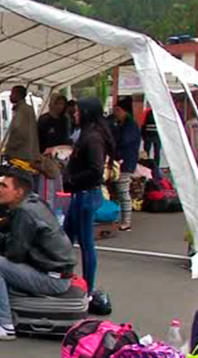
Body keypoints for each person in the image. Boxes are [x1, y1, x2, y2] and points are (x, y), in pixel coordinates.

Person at [0, 170, 75, 340]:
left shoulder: (25, 212)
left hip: (53, 279)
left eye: (4, 186)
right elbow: (17, 239)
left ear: (18, 192)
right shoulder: (34, 201)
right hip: (56, 272)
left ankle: (4, 326)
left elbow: (15, 254)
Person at [63, 98, 113, 294]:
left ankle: (88, 288)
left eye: (77, 111)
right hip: (80, 194)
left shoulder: (92, 138)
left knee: (85, 243)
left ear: (86, 112)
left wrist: (73, 179)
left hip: (86, 194)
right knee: (67, 238)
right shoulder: (87, 134)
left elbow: (95, 169)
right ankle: (65, 278)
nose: (74, 114)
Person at [36, 93, 73, 202]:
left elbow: (67, 138)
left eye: (62, 104)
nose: (60, 106)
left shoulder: (65, 120)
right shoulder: (44, 120)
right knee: (49, 186)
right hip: (47, 157)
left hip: (63, 155)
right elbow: (39, 138)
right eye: (58, 103)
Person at [113, 96, 141, 232]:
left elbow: (123, 141)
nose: (115, 113)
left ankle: (126, 221)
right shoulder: (124, 125)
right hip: (124, 161)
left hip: (126, 162)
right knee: (119, 191)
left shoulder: (130, 126)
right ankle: (121, 219)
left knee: (123, 191)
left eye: (118, 110)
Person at [4, 85, 41, 168]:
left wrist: (9, 149)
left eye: (12, 93)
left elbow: (20, 133)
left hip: (20, 155)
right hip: (29, 153)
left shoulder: (21, 111)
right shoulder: (29, 109)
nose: (10, 96)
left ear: (18, 95)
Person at [141, 107, 163, 179]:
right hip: (157, 135)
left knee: (146, 151)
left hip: (148, 134)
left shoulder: (147, 111)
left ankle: (146, 165)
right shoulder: (159, 112)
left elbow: (143, 123)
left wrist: (143, 135)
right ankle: (156, 167)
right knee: (157, 152)